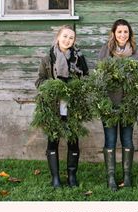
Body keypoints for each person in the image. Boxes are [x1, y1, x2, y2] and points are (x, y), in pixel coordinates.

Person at [35, 25, 88, 188]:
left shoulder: (79, 58)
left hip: (73, 107)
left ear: (74, 41)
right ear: (58, 37)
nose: (67, 40)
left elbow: (86, 78)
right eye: (65, 36)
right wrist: (53, 85)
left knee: (73, 142)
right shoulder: (48, 58)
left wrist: (77, 86)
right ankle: (55, 178)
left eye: (71, 38)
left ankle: (72, 176)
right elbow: (39, 81)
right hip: (53, 107)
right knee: (53, 141)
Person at [98, 19, 138, 191]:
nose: (122, 35)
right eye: (119, 32)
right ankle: (110, 178)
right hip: (109, 104)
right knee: (110, 140)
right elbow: (100, 78)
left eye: (125, 32)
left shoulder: (136, 55)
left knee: (127, 139)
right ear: (114, 34)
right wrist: (103, 102)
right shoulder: (105, 52)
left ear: (129, 34)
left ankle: (127, 177)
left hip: (128, 106)